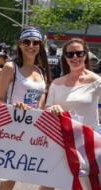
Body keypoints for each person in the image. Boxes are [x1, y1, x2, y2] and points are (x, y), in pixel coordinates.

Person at [40, 38, 101, 190]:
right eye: (70, 54)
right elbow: (46, 111)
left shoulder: (97, 81)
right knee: (49, 184)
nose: (75, 57)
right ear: (65, 57)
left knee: (85, 186)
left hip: (88, 146)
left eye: (79, 53)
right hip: (60, 141)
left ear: (85, 55)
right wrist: (52, 109)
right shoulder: (56, 83)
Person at [0, 27, 51, 190]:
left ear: (40, 46)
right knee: (10, 175)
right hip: (14, 129)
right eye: (26, 42)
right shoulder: (10, 67)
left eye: (35, 42)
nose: (31, 45)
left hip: (35, 130)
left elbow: (41, 103)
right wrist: (14, 107)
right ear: (20, 44)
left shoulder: (41, 71)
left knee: (43, 174)